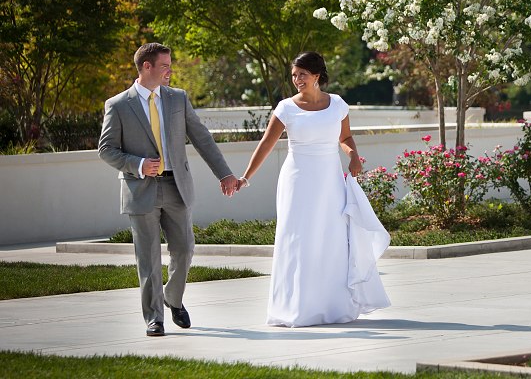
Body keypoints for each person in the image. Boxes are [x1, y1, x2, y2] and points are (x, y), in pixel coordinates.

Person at [98, 43, 242, 337]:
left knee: (185, 248)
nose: (170, 70)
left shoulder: (178, 98)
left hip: (177, 185)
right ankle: (155, 317)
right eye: (165, 65)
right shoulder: (118, 105)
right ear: (147, 67)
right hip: (140, 189)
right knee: (148, 257)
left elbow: (201, 138)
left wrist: (225, 173)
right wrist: (137, 164)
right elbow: (106, 149)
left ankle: (172, 298)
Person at [239, 51, 391, 326]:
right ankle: (295, 307)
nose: (297, 79)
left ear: (317, 76)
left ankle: (331, 307)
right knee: (298, 239)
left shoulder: (338, 105)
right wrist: (245, 177)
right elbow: (266, 144)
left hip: (329, 181)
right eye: (294, 75)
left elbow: (344, 137)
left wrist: (353, 155)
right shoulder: (286, 108)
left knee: (329, 239)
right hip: (297, 181)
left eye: (302, 75)